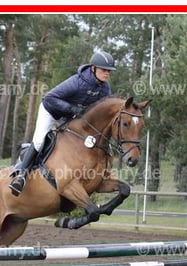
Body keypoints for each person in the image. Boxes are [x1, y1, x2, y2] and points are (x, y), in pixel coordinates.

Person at [8, 50, 116, 196]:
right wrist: (71, 108)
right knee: (39, 141)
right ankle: (21, 176)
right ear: (93, 68)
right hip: (51, 111)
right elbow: (49, 98)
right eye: (104, 70)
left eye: (109, 71)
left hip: (70, 117)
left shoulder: (105, 89)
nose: (107, 73)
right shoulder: (76, 82)